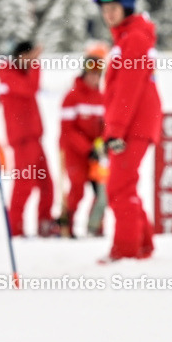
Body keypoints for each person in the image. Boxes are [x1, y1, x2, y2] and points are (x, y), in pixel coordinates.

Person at [93, 0, 163, 261]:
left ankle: (125, 251)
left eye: (113, 9)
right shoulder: (126, 38)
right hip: (131, 123)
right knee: (126, 184)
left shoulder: (133, 38)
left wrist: (115, 131)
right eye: (105, 10)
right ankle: (143, 244)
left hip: (133, 125)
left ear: (127, 9)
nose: (108, 14)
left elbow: (128, 90)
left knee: (119, 187)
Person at [0, 40, 58, 238]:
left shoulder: (21, 74)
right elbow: (31, 88)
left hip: (34, 138)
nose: (34, 61)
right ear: (20, 57)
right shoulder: (8, 75)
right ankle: (15, 229)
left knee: (47, 185)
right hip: (22, 140)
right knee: (24, 185)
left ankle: (45, 224)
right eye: (30, 57)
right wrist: (34, 64)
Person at [59, 54, 106, 238]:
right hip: (74, 151)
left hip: (95, 153)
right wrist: (87, 149)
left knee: (101, 189)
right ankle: (67, 226)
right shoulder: (72, 97)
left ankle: (95, 226)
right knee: (77, 189)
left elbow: (105, 126)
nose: (94, 77)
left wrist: (100, 146)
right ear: (84, 73)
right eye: (91, 73)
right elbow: (68, 131)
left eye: (98, 74)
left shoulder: (102, 97)